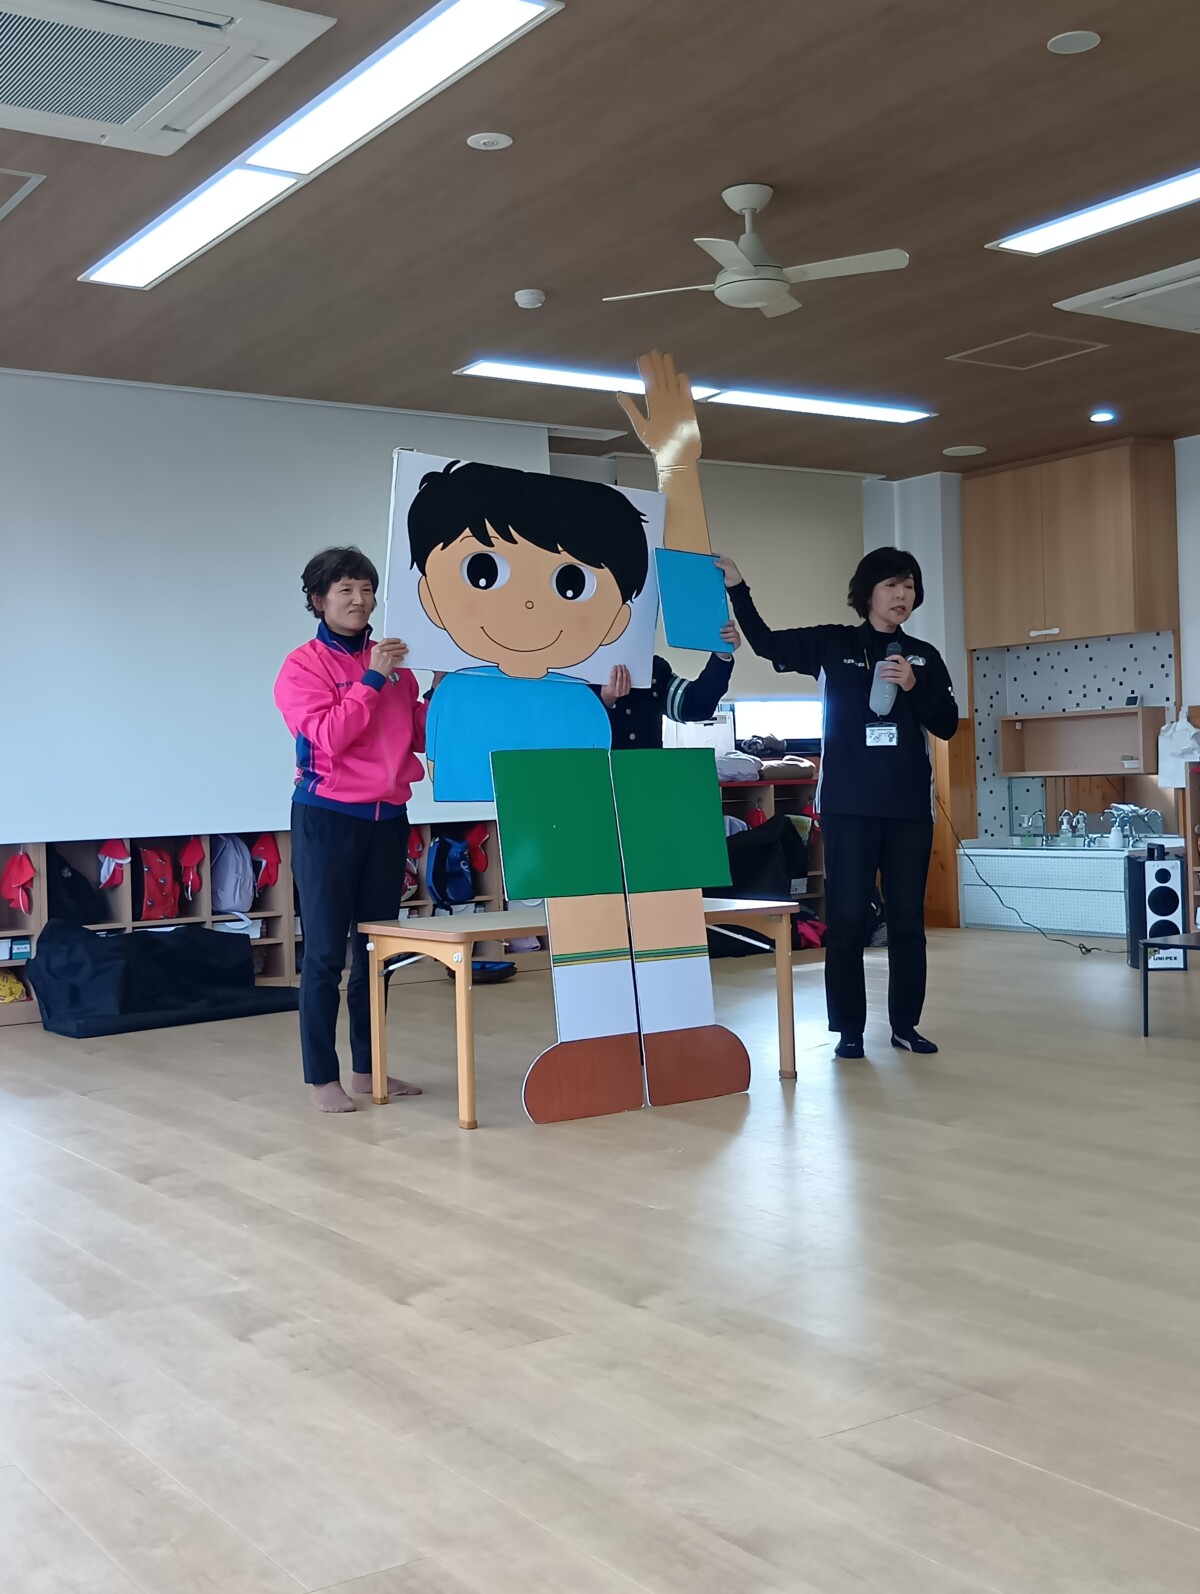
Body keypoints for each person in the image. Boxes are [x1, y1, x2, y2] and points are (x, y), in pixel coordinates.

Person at [717, 547, 959, 1059]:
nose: (902, 595)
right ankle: (849, 1029)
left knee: (907, 922)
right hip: (849, 806)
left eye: (909, 586)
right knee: (847, 919)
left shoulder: (923, 656)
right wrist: (737, 586)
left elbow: (945, 724)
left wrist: (914, 686)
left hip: (908, 809)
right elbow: (764, 643)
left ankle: (905, 1026)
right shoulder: (832, 643)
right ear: (867, 592)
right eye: (892, 584)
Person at [274, 546, 426, 1112]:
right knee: (323, 955)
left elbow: (420, 735)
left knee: (376, 952)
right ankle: (323, 1080)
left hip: (388, 819)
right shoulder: (302, 667)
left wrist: (443, 692)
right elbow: (329, 738)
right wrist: (373, 678)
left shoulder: (396, 664)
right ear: (318, 600)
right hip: (328, 817)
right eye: (345, 590)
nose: (360, 600)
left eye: (366, 589)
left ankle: (368, 1070)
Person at [408, 460, 649, 800]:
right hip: (500, 814)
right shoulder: (455, 692)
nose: (528, 605)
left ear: (618, 621)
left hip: (546, 813)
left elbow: (439, 765)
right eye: (483, 572)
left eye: (570, 584)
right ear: (429, 596)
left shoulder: (583, 703)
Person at [595, 628, 742, 747]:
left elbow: (696, 706)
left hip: (647, 771)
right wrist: (605, 700)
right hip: (598, 771)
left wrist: (721, 654)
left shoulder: (653, 669)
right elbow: (583, 731)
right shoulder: (582, 673)